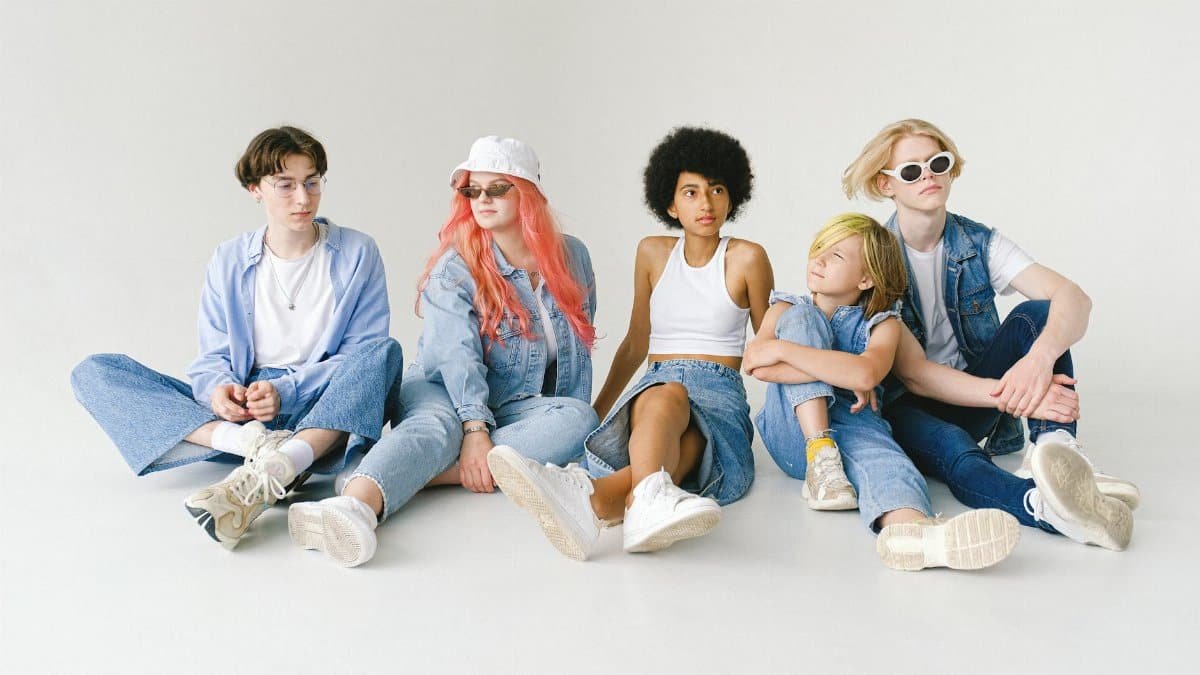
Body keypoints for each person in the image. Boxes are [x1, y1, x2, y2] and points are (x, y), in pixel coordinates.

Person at [71, 126, 401, 550]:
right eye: (285, 185)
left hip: (325, 405)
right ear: (254, 189)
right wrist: (219, 392)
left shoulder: (357, 252)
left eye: (312, 182)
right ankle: (254, 449)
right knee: (95, 371)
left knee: (384, 352)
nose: (303, 198)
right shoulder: (229, 258)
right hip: (250, 414)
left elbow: (362, 354)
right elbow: (213, 356)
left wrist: (286, 391)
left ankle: (283, 464)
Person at [288, 136, 599, 567]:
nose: (482, 199)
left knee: (580, 420)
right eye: (472, 190)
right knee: (440, 428)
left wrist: (565, 431)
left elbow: (577, 352)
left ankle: (426, 473)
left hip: (514, 403)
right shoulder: (457, 266)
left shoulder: (573, 257)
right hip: (441, 388)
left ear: (527, 192)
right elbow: (457, 357)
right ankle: (352, 506)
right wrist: (474, 429)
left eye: (497, 189)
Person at [842, 118, 1135, 550]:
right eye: (911, 171)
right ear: (887, 186)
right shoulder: (876, 260)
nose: (928, 176)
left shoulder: (978, 242)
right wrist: (1009, 391)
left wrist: (1036, 363)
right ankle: (1050, 509)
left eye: (937, 163)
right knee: (959, 453)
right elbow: (916, 375)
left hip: (978, 395)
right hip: (909, 410)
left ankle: (1058, 450)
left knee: (1038, 313)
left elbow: (1074, 298)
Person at [489, 126, 773, 560]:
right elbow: (636, 342)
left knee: (693, 443)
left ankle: (591, 497)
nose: (707, 203)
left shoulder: (748, 258)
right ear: (670, 204)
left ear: (732, 196)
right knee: (667, 395)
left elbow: (767, 345)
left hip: (719, 392)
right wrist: (596, 415)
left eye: (717, 190)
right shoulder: (652, 253)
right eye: (691, 192)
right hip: (656, 385)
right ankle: (636, 504)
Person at [747, 213, 1046, 570]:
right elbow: (756, 363)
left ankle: (916, 535)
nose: (820, 259)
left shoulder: (884, 324)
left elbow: (868, 372)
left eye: (837, 256)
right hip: (794, 433)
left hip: (857, 424)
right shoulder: (786, 308)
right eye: (820, 249)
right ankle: (821, 454)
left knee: (892, 467)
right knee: (803, 320)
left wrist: (783, 351)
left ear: (866, 277)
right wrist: (846, 375)